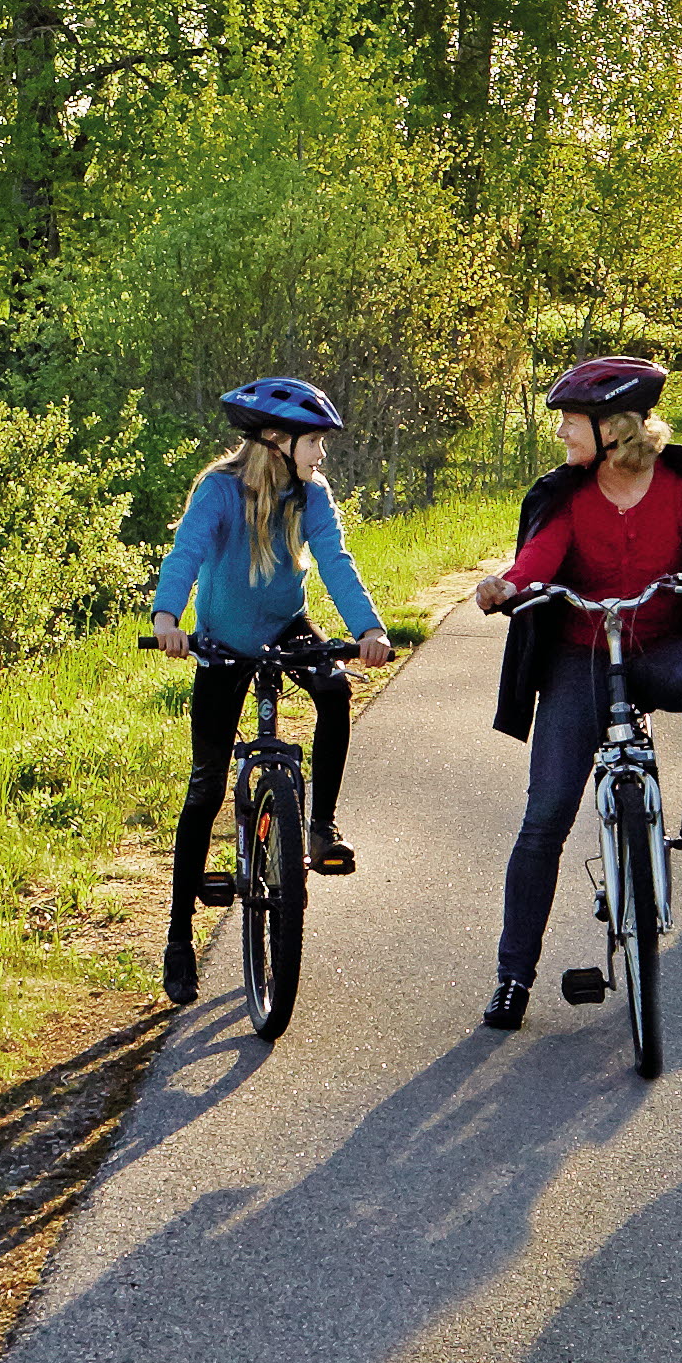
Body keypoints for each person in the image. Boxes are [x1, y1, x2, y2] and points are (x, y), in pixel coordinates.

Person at [470, 355, 682, 1032]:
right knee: (545, 817)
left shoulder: (681, 485)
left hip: (661, 649)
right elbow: (538, 559)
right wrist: (506, 586)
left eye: (572, 422)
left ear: (614, 427)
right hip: (582, 658)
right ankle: (514, 977)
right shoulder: (568, 494)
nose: (563, 434)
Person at [150, 376, 396, 1007]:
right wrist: (166, 620)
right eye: (314, 442)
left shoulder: (310, 494)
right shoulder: (220, 491)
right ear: (275, 440)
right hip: (223, 640)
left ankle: (318, 829)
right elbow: (185, 554)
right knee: (205, 785)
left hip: (287, 626)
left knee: (335, 689)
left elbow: (335, 560)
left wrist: (367, 627)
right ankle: (180, 937)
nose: (322, 455)